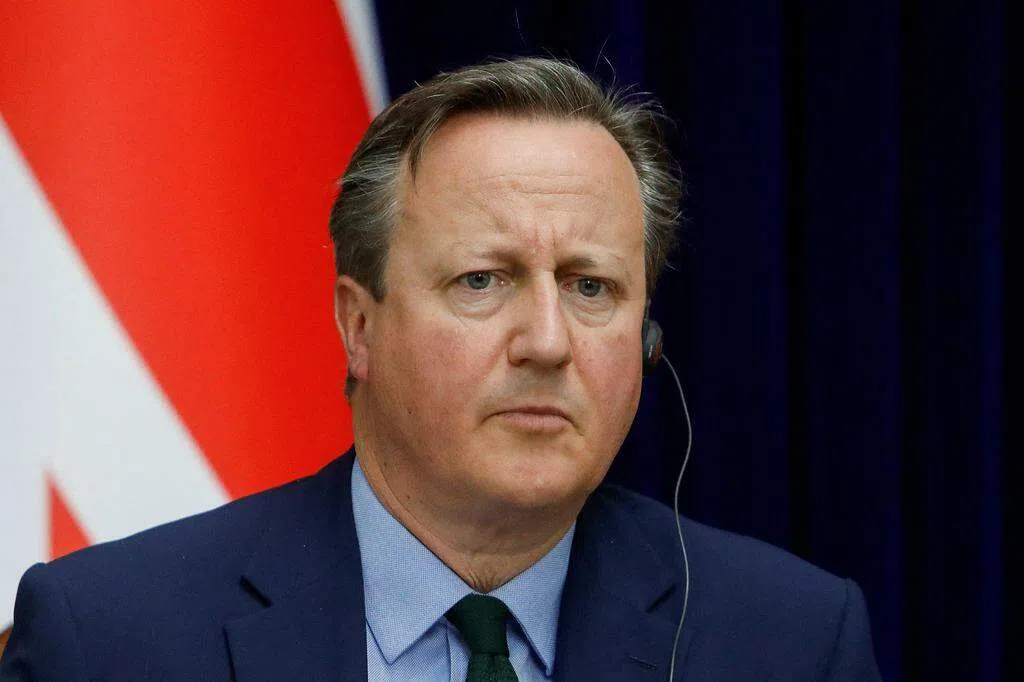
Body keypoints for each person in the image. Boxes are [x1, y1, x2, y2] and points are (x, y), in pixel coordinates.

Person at [0, 57, 881, 681]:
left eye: (591, 286)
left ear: (646, 337)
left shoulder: (792, 643)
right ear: (359, 326)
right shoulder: (109, 640)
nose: (548, 341)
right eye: (482, 280)